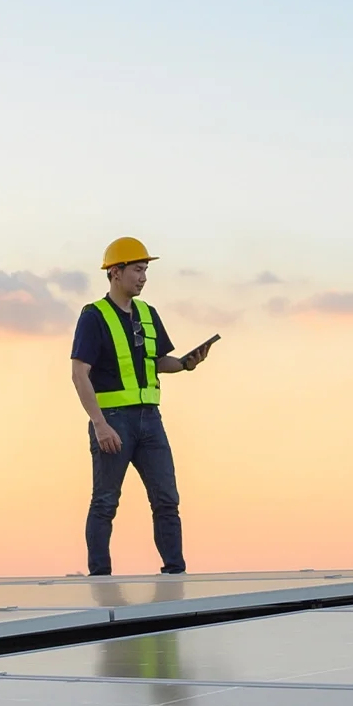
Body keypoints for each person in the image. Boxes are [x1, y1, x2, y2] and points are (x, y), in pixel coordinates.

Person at [69, 237, 216, 576]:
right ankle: (100, 580)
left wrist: (186, 363)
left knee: (167, 500)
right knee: (105, 502)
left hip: (151, 420)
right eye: (138, 269)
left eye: (146, 269)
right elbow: (79, 374)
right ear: (115, 273)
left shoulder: (148, 314)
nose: (144, 277)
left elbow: (157, 361)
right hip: (114, 422)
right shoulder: (94, 317)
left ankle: (175, 574)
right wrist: (99, 424)